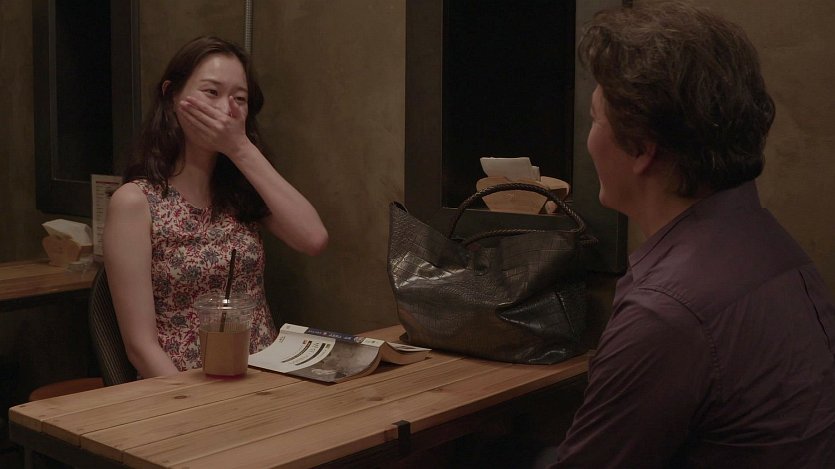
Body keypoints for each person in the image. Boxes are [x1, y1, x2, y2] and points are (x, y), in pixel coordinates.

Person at [547, 2, 835, 467]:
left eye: (596, 119)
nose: (590, 139)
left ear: (643, 149)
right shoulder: (768, 242)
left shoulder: (667, 313)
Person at [103, 36, 328, 378]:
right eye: (211, 92)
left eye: (240, 99)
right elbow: (140, 348)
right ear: (172, 96)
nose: (226, 109)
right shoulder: (135, 202)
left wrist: (240, 149)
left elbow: (313, 238)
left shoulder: (240, 189)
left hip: (263, 374)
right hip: (182, 384)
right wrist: (195, 403)